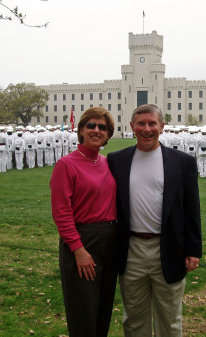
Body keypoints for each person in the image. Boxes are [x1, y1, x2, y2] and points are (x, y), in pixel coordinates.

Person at [107, 104, 202, 337]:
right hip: (131, 250)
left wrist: (193, 249)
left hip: (169, 248)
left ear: (162, 126)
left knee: (169, 321)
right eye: (141, 124)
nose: (146, 129)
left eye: (152, 123)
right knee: (134, 321)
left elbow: (191, 209)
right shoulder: (116, 160)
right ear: (132, 127)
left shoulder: (182, 162)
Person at [50, 106, 117, 337]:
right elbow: (61, 212)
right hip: (82, 241)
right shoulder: (66, 164)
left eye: (102, 127)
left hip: (109, 242)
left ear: (108, 134)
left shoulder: (108, 163)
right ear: (81, 130)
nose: (96, 130)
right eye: (91, 125)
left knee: (103, 309)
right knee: (83, 312)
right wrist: (78, 249)